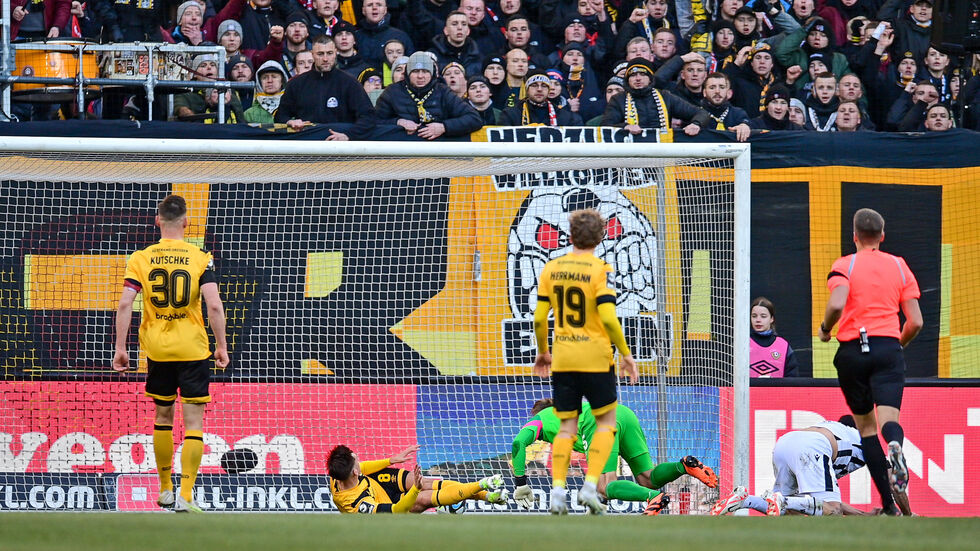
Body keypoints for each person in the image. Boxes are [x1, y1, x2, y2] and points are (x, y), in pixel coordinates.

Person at [112, 195, 229, 513]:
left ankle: (165, 489)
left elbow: (125, 304)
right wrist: (221, 346)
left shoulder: (141, 258)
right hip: (192, 349)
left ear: (157, 220)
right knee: (193, 424)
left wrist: (121, 349)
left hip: (158, 351)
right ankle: (186, 496)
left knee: (162, 418)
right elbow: (214, 305)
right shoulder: (200, 257)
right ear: (186, 222)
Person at [532, 208, 639, 515]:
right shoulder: (599, 269)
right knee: (606, 424)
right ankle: (590, 488)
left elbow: (540, 317)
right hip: (596, 359)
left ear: (569, 237)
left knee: (566, 427)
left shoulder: (551, 268)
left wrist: (543, 351)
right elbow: (607, 315)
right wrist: (627, 354)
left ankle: (556, 492)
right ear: (601, 237)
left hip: (563, 357)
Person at [818, 208, 922, 516]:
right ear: (882, 236)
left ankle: (889, 507)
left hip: (852, 351)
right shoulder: (899, 266)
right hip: (888, 348)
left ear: (854, 236)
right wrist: (895, 345)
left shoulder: (845, 264)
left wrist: (825, 329)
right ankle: (896, 446)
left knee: (866, 430)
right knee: (890, 422)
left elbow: (837, 302)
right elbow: (915, 321)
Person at [511, 398, 718, 515]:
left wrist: (521, 483)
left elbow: (519, 442)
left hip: (598, 421)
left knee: (604, 485)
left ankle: (651, 498)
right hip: (623, 413)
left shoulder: (541, 419)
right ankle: (683, 466)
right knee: (647, 478)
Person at [712, 416, 876, 516]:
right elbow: (835, 507)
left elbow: (825, 500)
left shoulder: (831, 427)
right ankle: (783, 500)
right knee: (833, 512)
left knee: (789, 511)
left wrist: (863, 515)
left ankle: (744, 500)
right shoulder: (861, 439)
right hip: (811, 447)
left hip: (786, 443)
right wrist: (893, 508)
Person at [327, 444, 508, 513]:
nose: (359, 458)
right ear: (354, 473)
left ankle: (486, 496)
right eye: (356, 459)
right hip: (389, 506)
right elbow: (397, 510)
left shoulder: (337, 474)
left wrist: (391, 460)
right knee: (423, 496)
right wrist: (415, 489)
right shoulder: (358, 505)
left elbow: (364, 468)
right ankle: (483, 487)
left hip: (376, 483)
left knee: (427, 481)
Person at [274, 35, 377, 140]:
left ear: (336, 52)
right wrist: (290, 122)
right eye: (320, 54)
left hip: (340, 148)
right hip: (307, 146)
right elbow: (280, 116)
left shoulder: (350, 83)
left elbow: (368, 117)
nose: (325, 59)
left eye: (329, 53)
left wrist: (349, 135)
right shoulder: (296, 84)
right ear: (312, 54)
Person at [375, 52, 483, 139]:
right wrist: (398, 122)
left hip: (438, 153)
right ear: (407, 73)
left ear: (432, 74)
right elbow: (374, 121)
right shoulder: (392, 92)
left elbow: (474, 119)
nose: (420, 76)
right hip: (402, 152)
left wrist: (444, 127)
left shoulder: (443, 91)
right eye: (416, 71)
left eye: (425, 71)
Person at [601, 58, 710, 135]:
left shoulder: (665, 96)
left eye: (643, 74)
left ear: (650, 78)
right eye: (633, 75)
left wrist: (696, 124)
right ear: (628, 80)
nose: (638, 78)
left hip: (662, 155)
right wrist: (625, 126)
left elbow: (702, 113)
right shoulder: (618, 99)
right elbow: (605, 126)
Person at [498, 69, 583, 125]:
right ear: (527, 90)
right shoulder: (511, 114)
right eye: (534, 85)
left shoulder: (565, 117)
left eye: (544, 86)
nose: (539, 89)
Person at [749, 296, 799, 377]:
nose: (758, 320)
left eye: (763, 316)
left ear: (772, 319)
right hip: (748, 390)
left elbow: (793, 378)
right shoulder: (743, 344)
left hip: (778, 390)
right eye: (754, 316)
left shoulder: (783, 346)